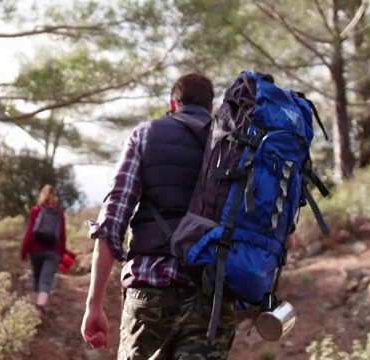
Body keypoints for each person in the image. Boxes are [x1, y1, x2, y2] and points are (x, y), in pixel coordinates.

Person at [81, 72, 237, 359]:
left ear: (172, 103)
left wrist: (94, 304)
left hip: (151, 292)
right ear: (211, 107)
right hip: (212, 298)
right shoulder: (233, 146)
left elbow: (112, 222)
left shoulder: (145, 135)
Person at [20, 184, 67, 318]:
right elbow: (62, 236)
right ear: (54, 198)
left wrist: (24, 251)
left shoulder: (36, 210)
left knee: (36, 278)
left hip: (36, 250)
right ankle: (40, 310)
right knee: (46, 281)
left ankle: (33, 313)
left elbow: (29, 233)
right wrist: (62, 254)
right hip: (53, 252)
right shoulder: (60, 213)